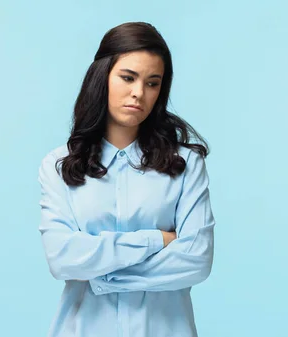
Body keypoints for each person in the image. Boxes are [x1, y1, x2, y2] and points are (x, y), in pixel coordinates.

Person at [37, 21, 215, 337]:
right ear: (102, 76)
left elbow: (196, 260)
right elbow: (62, 258)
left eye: (153, 83)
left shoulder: (186, 164)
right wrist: (158, 240)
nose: (138, 93)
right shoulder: (59, 165)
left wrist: (103, 274)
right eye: (128, 77)